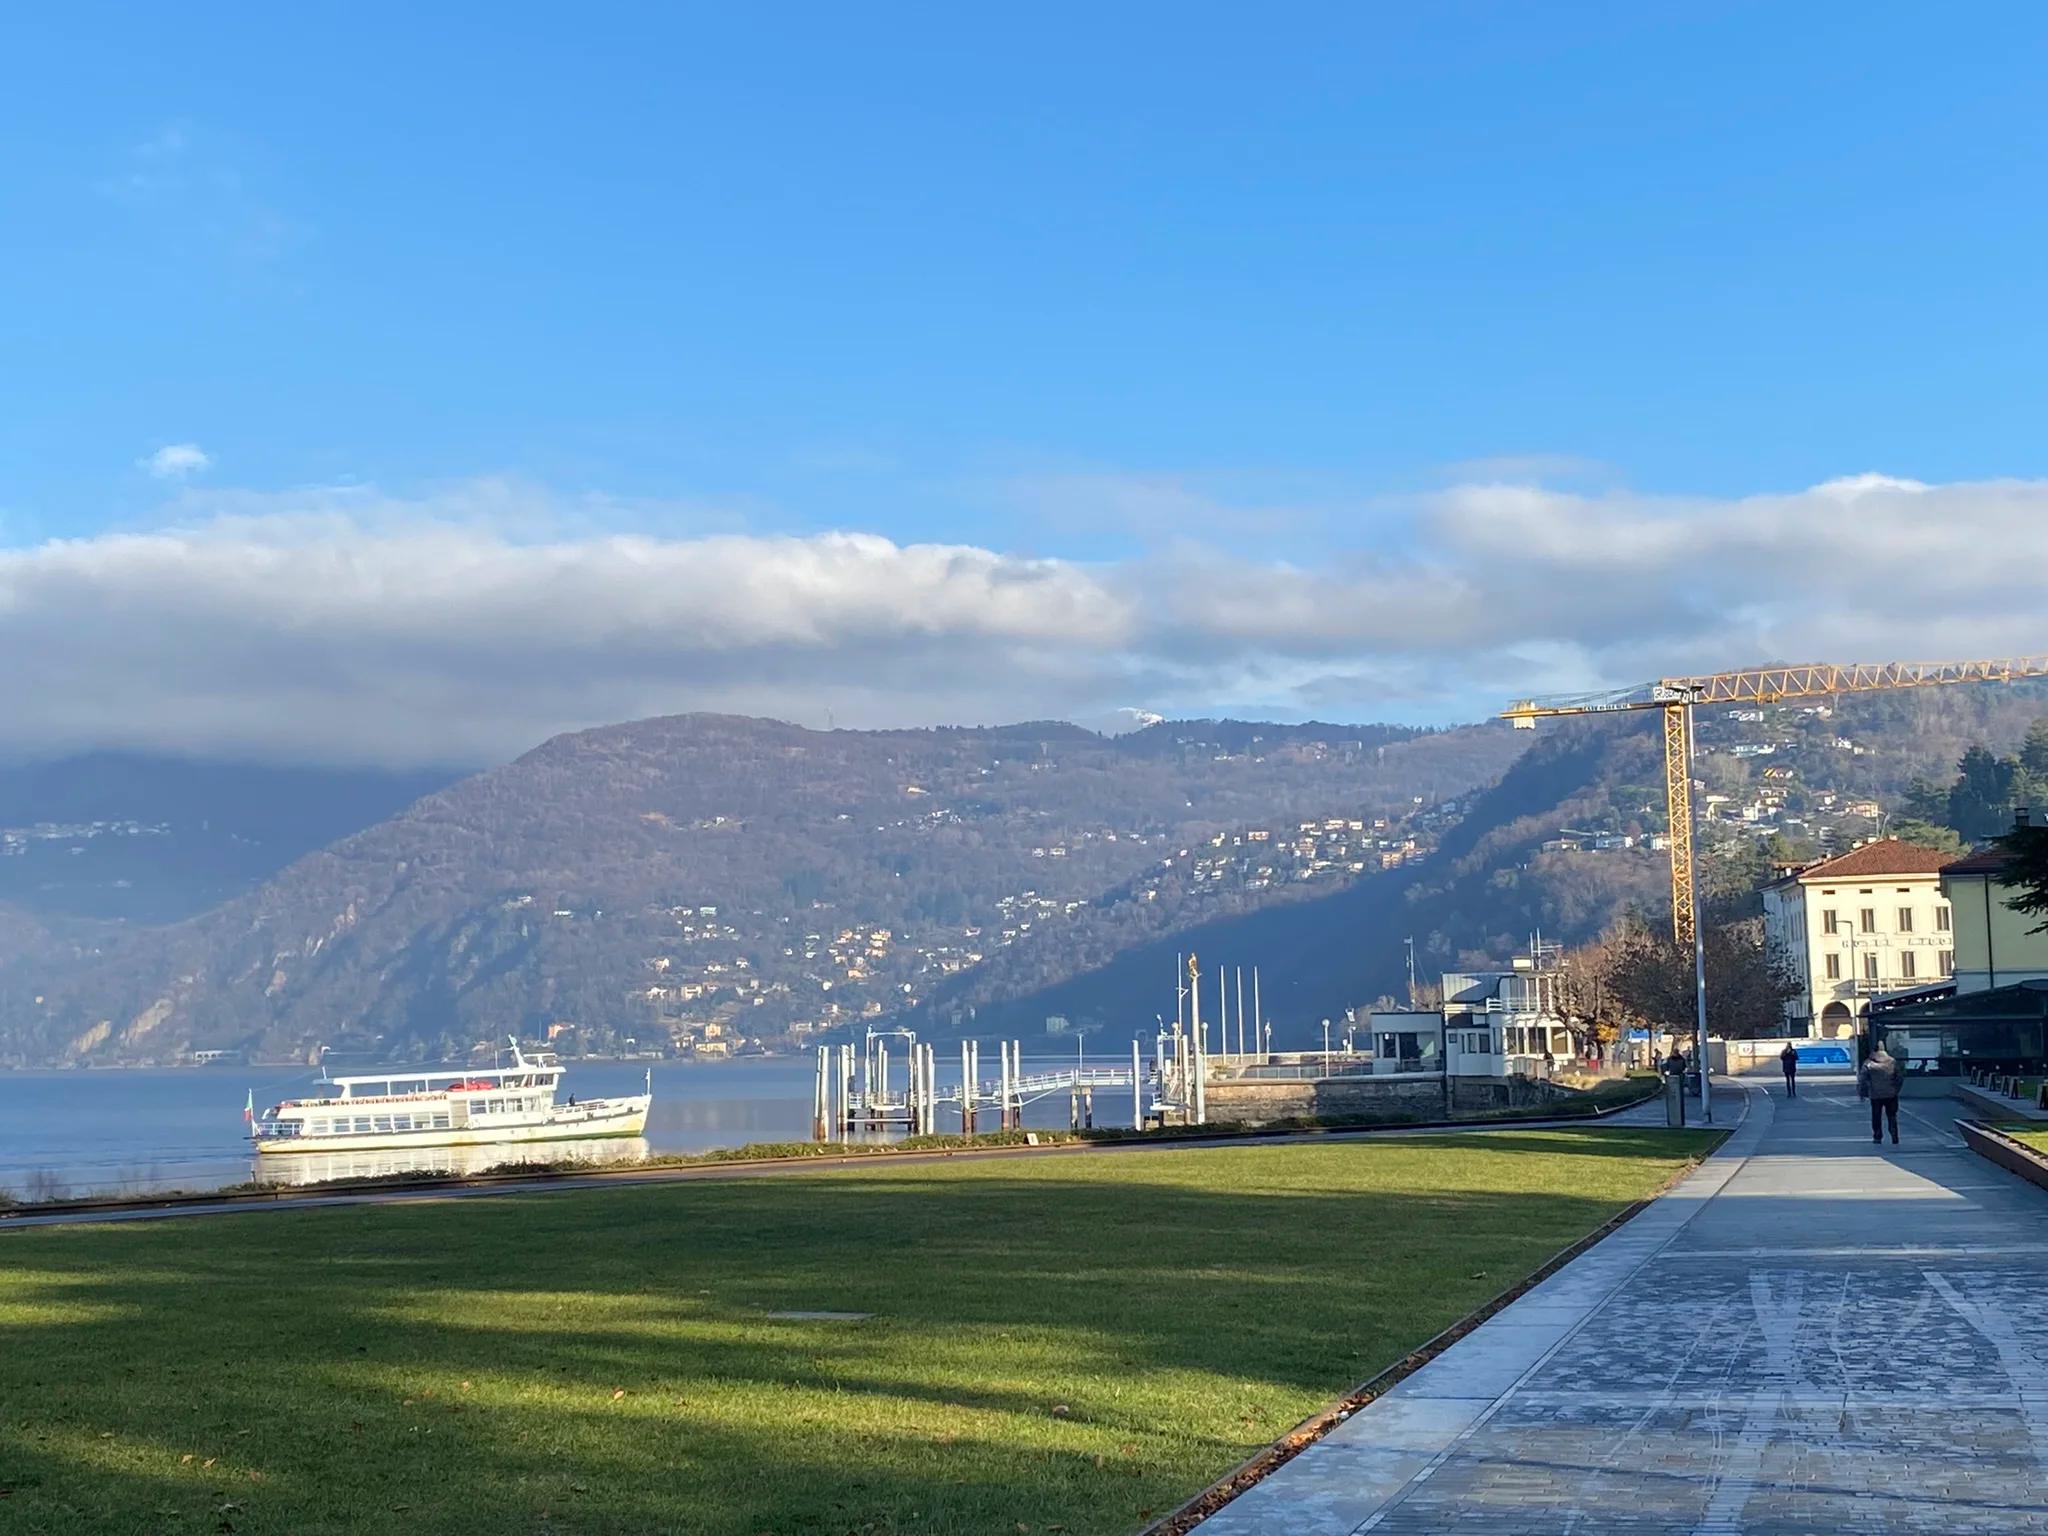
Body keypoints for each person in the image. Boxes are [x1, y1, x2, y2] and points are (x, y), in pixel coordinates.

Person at [1859, 1040, 1904, 1145]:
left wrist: (1863, 1093)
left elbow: (1863, 1079)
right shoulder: (1892, 1062)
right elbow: (1899, 1077)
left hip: (1875, 1095)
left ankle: (1877, 1136)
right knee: (1892, 1115)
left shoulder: (1869, 1063)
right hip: (1891, 1094)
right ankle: (1894, 1135)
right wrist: (1896, 1089)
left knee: (1876, 1115)